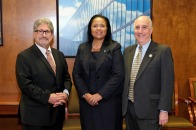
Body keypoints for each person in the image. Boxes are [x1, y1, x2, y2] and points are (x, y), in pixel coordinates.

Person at [16, 18, 72, 130]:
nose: (44, 35)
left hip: (57, 114)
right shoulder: (24, 57)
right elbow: (26, 85)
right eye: (40, 31)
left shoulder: (59, 55)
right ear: (34, 34)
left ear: (52, 35)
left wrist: (65, 94)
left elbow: (66, 78)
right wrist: (48, 97)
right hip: (35, 116)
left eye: (47, 31)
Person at [72, 14, 124, 130]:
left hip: (108, 103)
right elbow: (76, 74)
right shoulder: (82, 48)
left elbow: (118, 75)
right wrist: (86, 94)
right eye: (95, 26)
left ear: (107, 29)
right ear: (90, 29)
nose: (98, 29)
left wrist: (99, 95)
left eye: (102, 26)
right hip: (87, 103)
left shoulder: (114, 47)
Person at [122, 15, 174, 130]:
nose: (140, 31)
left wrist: (164, 110)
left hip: (151, 111)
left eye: (144, 27)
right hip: (129, 110)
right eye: (137, 27)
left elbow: (167, 83)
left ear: (151, 30)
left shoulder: (162, 51)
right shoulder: (127, 51)